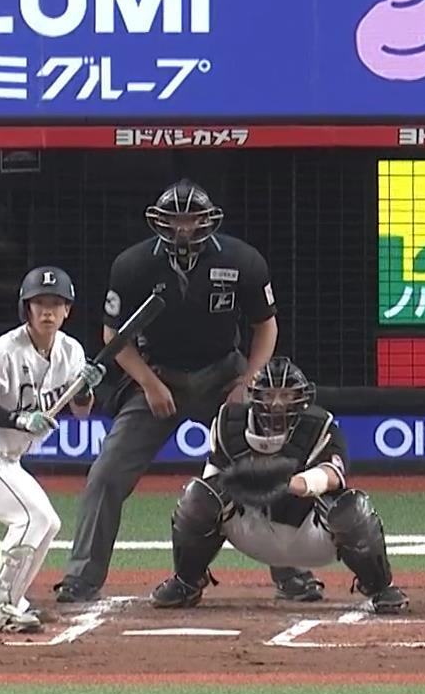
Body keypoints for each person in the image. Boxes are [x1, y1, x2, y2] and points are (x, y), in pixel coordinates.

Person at [55, 179, 292, 604]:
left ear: (208, 220)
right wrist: (149, 383)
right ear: (159, 221)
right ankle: (82, 576)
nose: (184, 228)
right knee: (107, 473)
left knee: (265, 466)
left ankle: (292, 573)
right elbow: (114, 336)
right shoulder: (132, 266)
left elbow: (265, 325)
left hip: (224, 373)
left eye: (192, 218)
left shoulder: (242, 260)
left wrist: (248, 381)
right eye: (176, 219)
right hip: (157, 376)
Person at [150, 357, 409, 613]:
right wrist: (240, 483)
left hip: (309, 537)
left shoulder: (319, 425)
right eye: (269, 395)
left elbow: (332, 475)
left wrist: (290, 482)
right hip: (252, 530)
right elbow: (211, 481)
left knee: (353, 509)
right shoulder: (229, 423)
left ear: (301, 397)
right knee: (197, 496)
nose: (276, 404)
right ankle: (187, 582)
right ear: (254, 396)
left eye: (286, 395)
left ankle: (379, 587)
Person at [0, 267, 104, 633]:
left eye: (56, 303)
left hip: (6, 458)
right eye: (39, 303)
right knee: (32, 519)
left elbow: (82, 411)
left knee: (48, 522)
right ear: (26, 309)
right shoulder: (1, 352)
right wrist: (19, 420)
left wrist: (85, 389)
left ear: (67, 310)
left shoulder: (71, 352)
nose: (47, 311)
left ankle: (13, 600)